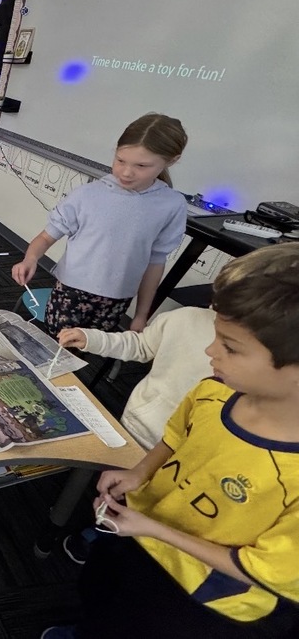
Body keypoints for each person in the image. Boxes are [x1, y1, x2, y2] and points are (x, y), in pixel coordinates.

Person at [43, 243, 299, 639]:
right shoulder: (213, 391)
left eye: (230, 347)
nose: (210, 351)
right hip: (142, 531)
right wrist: (141, 472)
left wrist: (153, 530)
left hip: (198, 592)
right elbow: (177, 436)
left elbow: (264, 569)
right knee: (101, 595)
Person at [11, 113, 188, 336]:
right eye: (120, 160)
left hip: (117, 300)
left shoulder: (172, 205)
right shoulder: (87, 194)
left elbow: (155, 262)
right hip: (70, 292)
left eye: (142, 165)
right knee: (56, 344)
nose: (126, 172)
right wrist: (30, 258)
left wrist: (141, 315)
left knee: (96, 347)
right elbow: (46, 236)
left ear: (171, 160)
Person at [58, 306, 216, 450]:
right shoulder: (185, 317)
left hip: (188, 450)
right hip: (138, 426)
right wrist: (92, 339)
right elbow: (142, 345)